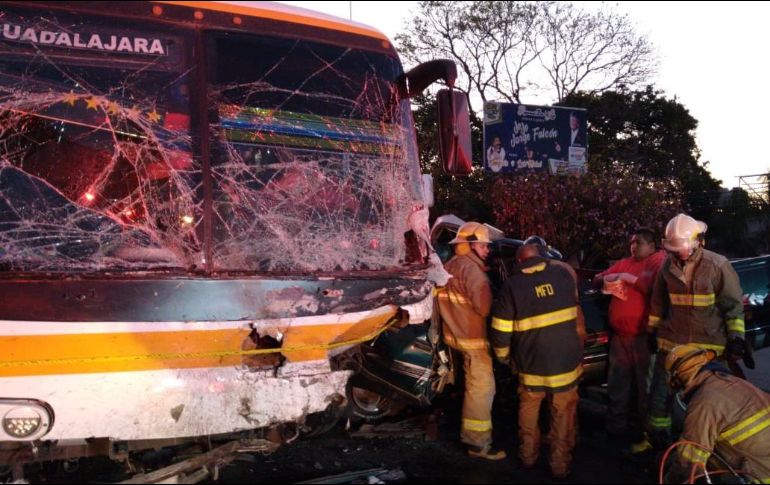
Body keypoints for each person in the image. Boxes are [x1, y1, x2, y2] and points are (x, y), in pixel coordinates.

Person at [646, 213, 745, 448]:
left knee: (707, 402)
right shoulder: (666, 267)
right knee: (660, 399)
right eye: (672, 250)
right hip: (672, 346)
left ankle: (705, 448)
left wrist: (736, 338)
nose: (676, 255)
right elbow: (658, 303)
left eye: (679, 249)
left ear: (696, 241)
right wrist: (652, 331)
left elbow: (733, 306)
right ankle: (659, 442)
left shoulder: (717, 265)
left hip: (708, 350)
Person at [489, 243, 584, 479]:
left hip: (530, 364)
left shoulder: (512, 286)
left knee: (529, 410)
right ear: (543, 258)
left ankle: (528, 457)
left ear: (519, 262)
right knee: (563, 414)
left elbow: (500, 331)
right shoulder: (564, 275)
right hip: (565, 363)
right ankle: (560, 465)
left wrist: (504, 358)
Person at [434, 221, 506, 460]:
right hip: (474, 342)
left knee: (472, 388)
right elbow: (485, 309)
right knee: (482, 390)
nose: (488, 251)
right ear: (472, 245)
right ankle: (477, 444)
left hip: (454, 338)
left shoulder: (450, 266)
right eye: (484, 246)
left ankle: (474, 439)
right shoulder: (474, 273)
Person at [592, 228, 665, 450]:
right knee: (617, 386)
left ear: (652, 246)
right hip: (620, 338)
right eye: (632, 242)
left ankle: (646, 435)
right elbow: (597, 279)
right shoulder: (625, 262)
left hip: (644, 339)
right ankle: (616, 430)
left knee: (646, 390)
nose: (634, 246)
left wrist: (627, 279)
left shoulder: (658, 262)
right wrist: (611, 278)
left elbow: (654, 288)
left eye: (639, 242)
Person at [663, 344, 770, 483]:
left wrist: (668, 479)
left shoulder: (702, 402)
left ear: (677, 379)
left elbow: (689, 464)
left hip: (761, 475)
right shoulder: (732, 381)